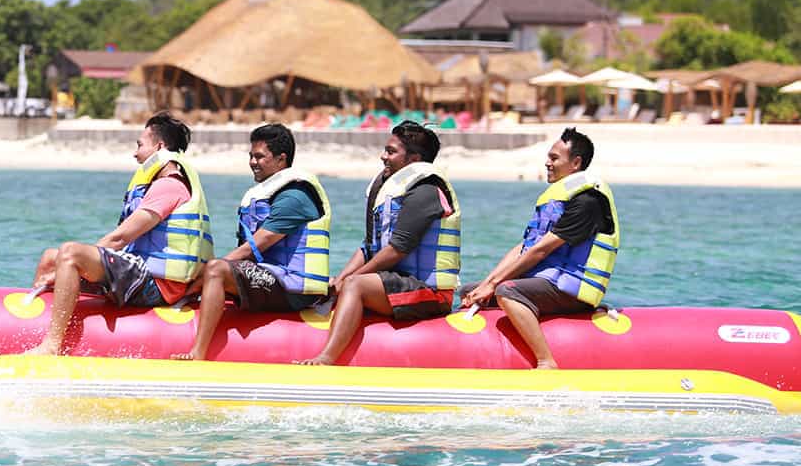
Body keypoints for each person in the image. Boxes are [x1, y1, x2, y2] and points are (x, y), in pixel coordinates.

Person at [25, 111, 214, 355]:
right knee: (51, 257)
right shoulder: (157, 184)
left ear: (159, 146)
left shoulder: (169, 186)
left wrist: (80, 262)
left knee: (70, 254)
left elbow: (120, 238)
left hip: (160, 285)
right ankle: (31, 328)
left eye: (139, 145)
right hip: (142, 274)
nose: (135, 153)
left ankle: (52, 345)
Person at [298, 121, 461, 365]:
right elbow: (368, 247)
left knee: (355, 285)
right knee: (339, 283)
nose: (383, 156)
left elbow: (397, 249)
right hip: (392, 284)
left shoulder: (425, 191)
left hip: (430, 293)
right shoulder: (391, 190)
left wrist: (350, 283)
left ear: (414, 159)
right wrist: (339, 280)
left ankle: (326, 358)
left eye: (391, 151)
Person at [459, 127, 620, 369]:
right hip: (546, 283)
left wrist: (494, 285)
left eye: (554, 158)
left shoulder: (588, 202)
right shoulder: (557, 198)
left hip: (573, 289)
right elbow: (525, 247)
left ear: (576, 163)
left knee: (506, 291)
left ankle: (546, 361)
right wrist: (485, 283)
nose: (547, 163)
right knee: (470, 292)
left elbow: (541, 251)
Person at [172, 123, 332, 361]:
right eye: (251, 156)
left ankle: (198, 353)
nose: (253, 162)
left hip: (293, 288)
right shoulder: (268, 193)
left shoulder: (295, 196)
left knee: (216, 269)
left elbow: (256, 245)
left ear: (281, 159)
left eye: (259, 156)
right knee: (213, 269)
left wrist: (207, 273)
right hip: (272, 278)